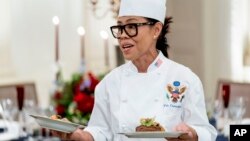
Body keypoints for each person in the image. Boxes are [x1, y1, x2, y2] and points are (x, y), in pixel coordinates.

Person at [52, 0, 217, 140]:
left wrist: (192, 134)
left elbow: (206, 131)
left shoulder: (185, 78)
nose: (123, 35)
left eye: (131, 26)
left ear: (156, 30)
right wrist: (79, 136)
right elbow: (100, 130)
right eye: (119, 27)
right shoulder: (109, 83)